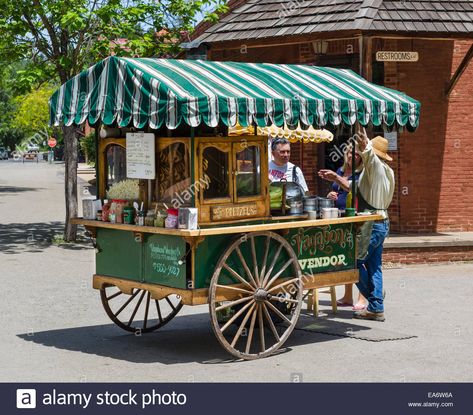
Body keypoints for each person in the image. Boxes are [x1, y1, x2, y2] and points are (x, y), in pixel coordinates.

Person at [318, 128, 394, 321]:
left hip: (372, 223)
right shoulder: (386, 172)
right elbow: (356, 188)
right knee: (374, 265)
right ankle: (376, 306)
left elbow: (370, 157)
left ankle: (376, 302)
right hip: (382, 221)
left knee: (353, 261)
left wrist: (365, 143)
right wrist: (336, 178)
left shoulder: (375, 167)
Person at [320, 144, 367, 310]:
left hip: (356, 218)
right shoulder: (340, 171)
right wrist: (330, 195)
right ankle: (347, 296)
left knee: (359, 257)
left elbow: (352, 188)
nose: (352, 156)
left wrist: (334, 178)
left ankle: (362, 297)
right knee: (346, 256)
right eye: (349, 153)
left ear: (360, 157)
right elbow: (337, 190)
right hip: (340, 216)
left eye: (356, 154)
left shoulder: (361, 173)